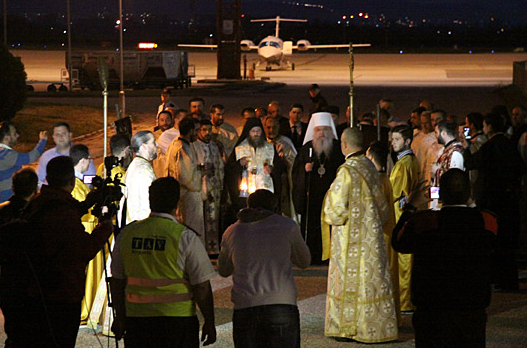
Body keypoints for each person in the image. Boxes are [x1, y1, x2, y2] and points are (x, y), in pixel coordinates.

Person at [392, 169, 497, 348]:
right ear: (469, 193)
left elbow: (398, 242)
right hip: (471, 308)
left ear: (440, 194)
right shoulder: (486, 221)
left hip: (432, 308)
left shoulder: (425, 222)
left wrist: (411, 207)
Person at [110, 177, 217, 348]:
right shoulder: (185, 237)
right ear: (177, 203)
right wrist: (209, 322)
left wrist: (120, 317)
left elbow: (117, 281)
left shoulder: (127, 234)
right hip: (177, 322)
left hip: (137, 321)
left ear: (150, 200)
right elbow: (201, 286)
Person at [24, 156, 113, 348]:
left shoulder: (39, 202)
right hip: (62, 293)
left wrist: (86, 204)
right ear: (72, 181)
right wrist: (106, 227)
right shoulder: (62, 212)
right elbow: (84, 249)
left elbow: (63, 212)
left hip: (38, 288)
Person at [322, 128, 398, 343]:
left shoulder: (346, 171)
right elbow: (383, 209)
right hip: (371, 238)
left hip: (349, 240)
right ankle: (373, 328)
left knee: (351, 281)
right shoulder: (370, 167)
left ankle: (347, 328)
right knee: (369, 281)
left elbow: (335, 211)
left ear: (344, 145)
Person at [218, 189, 311, 348]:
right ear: (275, 207)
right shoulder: (287, 226)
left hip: (246, 306)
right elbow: (304, 261)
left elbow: (223, 270)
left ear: (248, 206)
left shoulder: (232, 231)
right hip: (281, 304)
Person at [463, 112, 526, 290]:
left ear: (489, 127)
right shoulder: (509, 144)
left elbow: (472, 163)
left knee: (496, 240)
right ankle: (509, 280)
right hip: (509, 199)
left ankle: (500, 279)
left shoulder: (490, 146)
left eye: (484, 125)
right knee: (509, 242)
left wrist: (467, 147)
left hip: (493, 200)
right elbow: (521, 167)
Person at [292, 112, 344, 264]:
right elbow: (295, 174)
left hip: (331, 197)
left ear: (331, 131)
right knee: (312, 227)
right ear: (313, 132)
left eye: (325, 130)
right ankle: (312, 256)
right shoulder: (306, 149)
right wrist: (304, 170)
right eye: (319, 130)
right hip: (312, 198)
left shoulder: (337, 149)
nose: (322, 134)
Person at [0, 169, 38, 347]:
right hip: (31, 279)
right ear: (34, 189)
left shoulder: (3, 211)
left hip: (6, 278)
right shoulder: (36, 214)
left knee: (13, 329)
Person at [366, 141, 401, 324]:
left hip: (382, 235)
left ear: (371, 157)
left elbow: (378, 213)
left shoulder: (377, 182)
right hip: (389, 232)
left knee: (381, 276)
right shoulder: (385, 178)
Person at [389, 125, 421, 312]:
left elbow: (394, 191)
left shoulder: (404, 163)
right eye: (392, 139)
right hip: (406, 213)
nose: (393, 143)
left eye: (397, 139)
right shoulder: (408, 161)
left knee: (404, 261)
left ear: (407, 141)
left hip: (401, 215)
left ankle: (404, 301)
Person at [225, 117, 284, 215]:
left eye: (258, 131)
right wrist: (239, 164)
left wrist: (272, 169)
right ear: (248, 132)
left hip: (265, 193)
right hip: (245, 194)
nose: (256, 134)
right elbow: (229, 170)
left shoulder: (269, 147)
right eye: (253, 131)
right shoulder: (239, 148)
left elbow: (280, 168)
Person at [166, 117, 206, 242]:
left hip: (186, 195)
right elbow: (186, 177)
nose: (198, 133)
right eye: (197, 130)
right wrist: (201, 172)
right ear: (190, 131)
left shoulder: (182, 145)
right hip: (188, 197)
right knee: (191, 232)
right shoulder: (181, 149)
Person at [192, 119, 224, 254]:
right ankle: (198, 249)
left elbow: (220, 167)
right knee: (199, 218)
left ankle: (212, 248)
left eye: (209, 130)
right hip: (199, 188)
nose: (207, 133)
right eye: (204, 130)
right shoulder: (194, 146)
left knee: (213, 218)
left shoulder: (215, 146)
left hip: (214, 188)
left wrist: (219, 185)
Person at [37, 122, 96, 186]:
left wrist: (80, 186)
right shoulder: (46, 157)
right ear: (53, 137)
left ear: (70, 135)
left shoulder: (81, 153)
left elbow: (91, 178)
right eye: (57, 134)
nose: (61, 137)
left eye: (64, 133)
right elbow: (39, 181)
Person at [0, 121, 47, 203]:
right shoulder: (6, 155)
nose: (18, 136)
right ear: (6, 138)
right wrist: (43, 140)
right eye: (14, 134)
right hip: (7, 198)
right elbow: (32, 157)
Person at [118, 131, 157, 226]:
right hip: (141, 226)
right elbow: (146, 204)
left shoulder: (137, 165)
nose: (157, 145)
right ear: (144, 146)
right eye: (154, 142)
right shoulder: (143, 171)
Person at [264, 116, 297, 219]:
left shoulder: (286, 143)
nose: (271, 130)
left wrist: (284, 161)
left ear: (278, 127)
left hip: (282, 184)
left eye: (274, 127)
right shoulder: (261, 142)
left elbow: (294, 163)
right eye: (268, 127)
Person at [433, 120, 464, 187]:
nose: (435, 136)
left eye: (436, 133)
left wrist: (437, 171)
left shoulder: (455, 153)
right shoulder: (445, 150)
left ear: (443, 133)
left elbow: (455, 178)